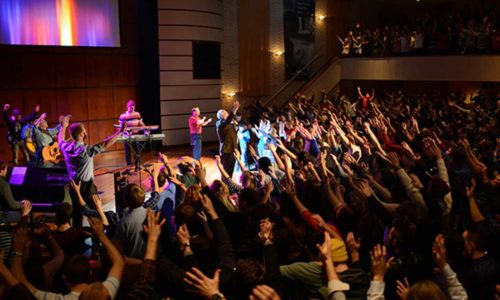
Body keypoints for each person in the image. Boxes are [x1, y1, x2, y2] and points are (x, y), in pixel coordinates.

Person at [58, 117, 125, 226]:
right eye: (84, 131)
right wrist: (120, 131)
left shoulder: (66, 147)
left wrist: (63, 127)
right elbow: (105, 144)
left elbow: (60, 140)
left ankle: (78, 236)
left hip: (74, 185)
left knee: (77, 214)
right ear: (81, 135)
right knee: (96, 213)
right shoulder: (86, 151)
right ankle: (100, 234)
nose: (86, 132)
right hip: (87, 187)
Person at [216, 100, 240, 178]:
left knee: (231, 169)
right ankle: (225, 187)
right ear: (221, 116)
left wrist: (236, 127)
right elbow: (227, 121)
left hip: (233, 149)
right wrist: (234, 110)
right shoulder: (220, 124)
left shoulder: (229, 123)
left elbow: (233, 134)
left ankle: (229, 186)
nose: (227, 114)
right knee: (226, 170)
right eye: (225, 113)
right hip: (227, 150)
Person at [119, 100, 144, 167]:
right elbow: (120, 127)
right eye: (131, 106)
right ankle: (129, 164)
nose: (132, 107)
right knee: (128, 150)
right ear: (127, 106)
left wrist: (145, 129)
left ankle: (137, 163)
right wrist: (125, 133)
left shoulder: (137, 114)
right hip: (127, 135)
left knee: (137, 149)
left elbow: (141, 123)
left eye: (133, 106)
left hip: (136, 135)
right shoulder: (123, 115)